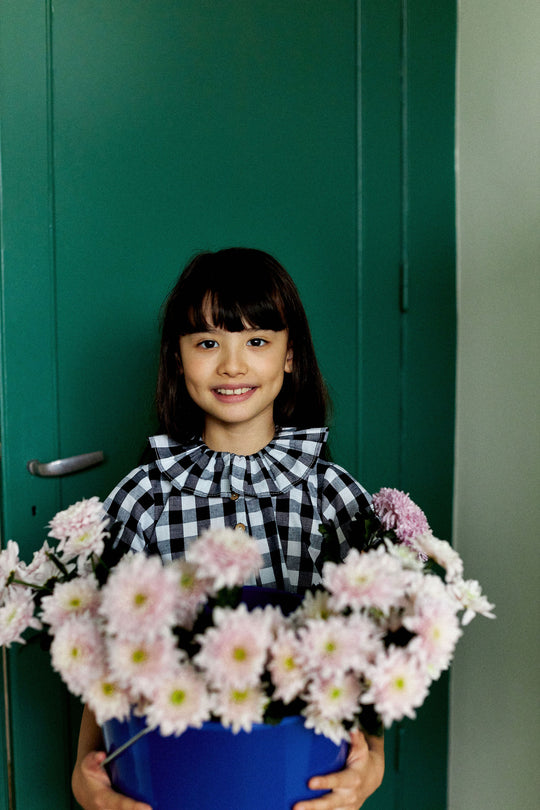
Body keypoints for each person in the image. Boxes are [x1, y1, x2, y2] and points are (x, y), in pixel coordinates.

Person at [72, 248, 385, 810]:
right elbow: (105, 650)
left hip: (299, 780)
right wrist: (83, 770)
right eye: (208, 343)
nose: (233, 366)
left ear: (291, 356)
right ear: (178, 357)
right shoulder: (143, 498)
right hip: (173, 776)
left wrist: (372, 768)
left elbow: (377, 643)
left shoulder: (335, 497)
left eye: (257, 341)